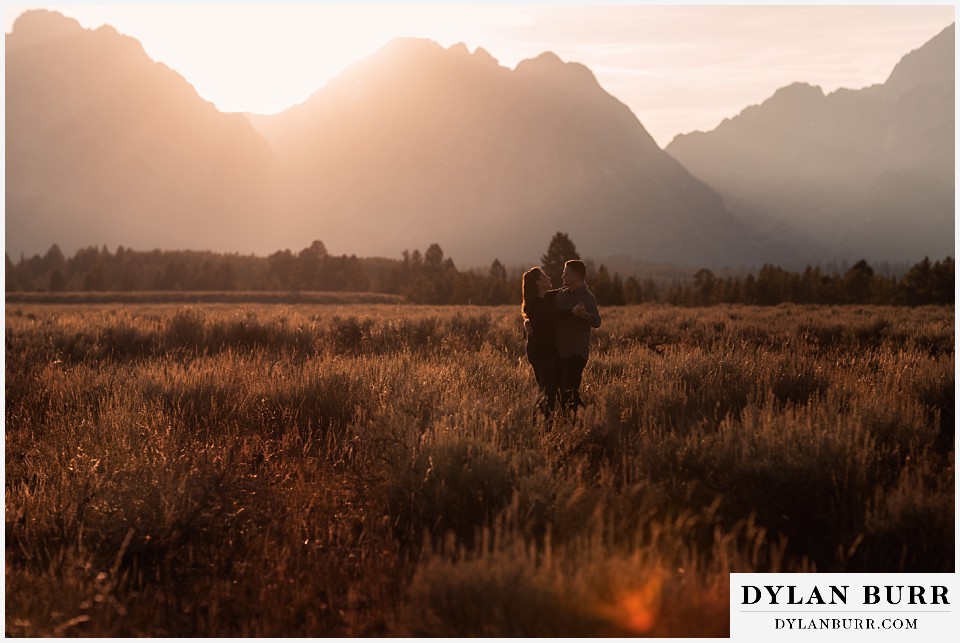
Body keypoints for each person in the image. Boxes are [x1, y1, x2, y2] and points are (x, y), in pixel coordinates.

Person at [521, 266, 575, 420]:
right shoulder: (537, 302)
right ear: (538, 283)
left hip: (540, 352)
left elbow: (558, 292)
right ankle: (542, 425)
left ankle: (539, 423)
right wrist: (573, 312)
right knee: (548, 393)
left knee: (545, 390)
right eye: (545, 277)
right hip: (542, 353)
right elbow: (552, 316)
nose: (549, 278)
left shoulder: (542, 299)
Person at [550, 260, 601, 414]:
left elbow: (597, 321)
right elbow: (540, 307)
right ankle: (585, 420)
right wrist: (527, 320)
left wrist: (584, 315)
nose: (562, 275)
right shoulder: (561, 295)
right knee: (564, 393)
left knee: (568, 392)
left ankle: (580, 424)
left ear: (576, 276)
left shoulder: (587, 297)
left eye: (566, 273)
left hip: (576, 352)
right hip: (559, 352)